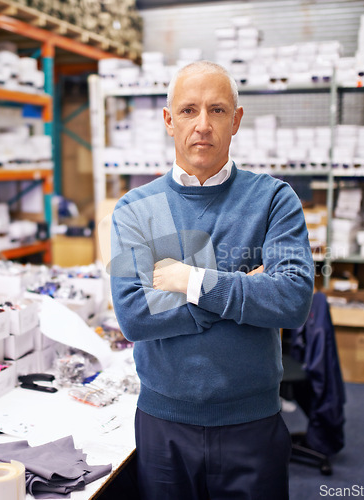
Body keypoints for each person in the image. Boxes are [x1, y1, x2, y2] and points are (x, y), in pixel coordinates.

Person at [110, 60, 314, 500]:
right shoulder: (136, 208)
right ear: (168, 120)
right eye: (188, 110)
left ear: (236, 120)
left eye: (217, 110)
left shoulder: (274, 199)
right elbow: (134, 316)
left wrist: (189, 280)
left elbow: (293, 300)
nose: (202, 125)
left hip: (251, 423)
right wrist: (243, 289)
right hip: (163, 423)